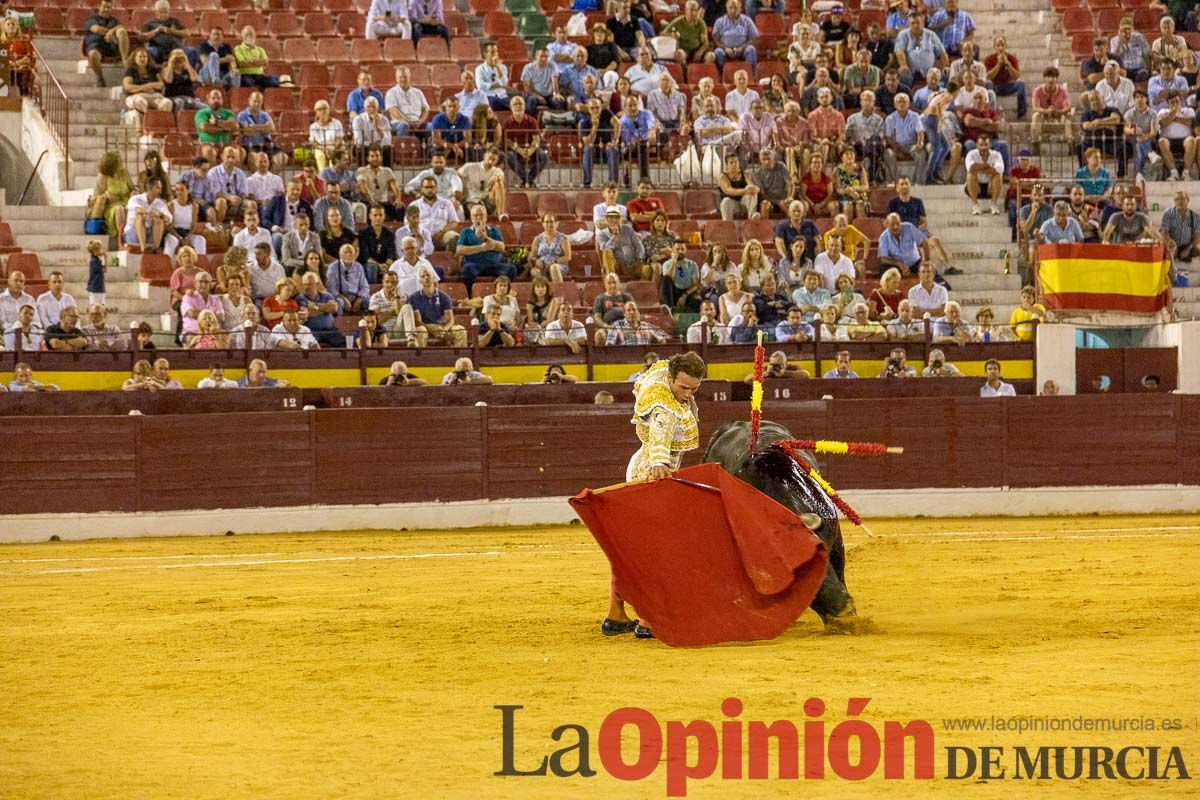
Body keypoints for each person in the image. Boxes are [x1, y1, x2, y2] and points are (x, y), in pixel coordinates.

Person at [608, 352, 705, 639]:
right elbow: (661, 431)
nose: (687, 393)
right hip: (650, 474)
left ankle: (616, 615)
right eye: (683, 387)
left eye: (694, 388)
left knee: (633, 550)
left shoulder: (665, 373)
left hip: (649, 469)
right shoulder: (663, 402)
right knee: (655, 551)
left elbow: (658, 367)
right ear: (672, 379)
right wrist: (659, 463)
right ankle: (648, 619)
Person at [84, 0, 131, 87]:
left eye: (108, 7)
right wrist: (110, 32)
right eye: (104, 7)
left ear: (112, 8)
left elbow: (121, 27)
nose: (106, 9)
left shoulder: (114, 21)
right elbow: (96, 29)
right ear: (99, 7)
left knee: (122, 32)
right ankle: (100, 79)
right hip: (96, 45)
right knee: (93, 55)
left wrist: (111, 32)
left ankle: (125, 62)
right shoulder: (92, 19)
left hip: (111, 47)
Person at [965, 133, 1004, 215]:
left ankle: (993, 205)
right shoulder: (971, 154)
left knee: (998, 175)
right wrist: (988, 165)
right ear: (977, 145)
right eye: (981, 145)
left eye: (986, 144)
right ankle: (975, 206)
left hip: (990, 186)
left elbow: (999, 169)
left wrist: (978, 169)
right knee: (970, 175)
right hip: (976, 185)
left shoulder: (996, 154)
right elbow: (971, 168)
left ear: (990, 145)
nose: (983, 147)